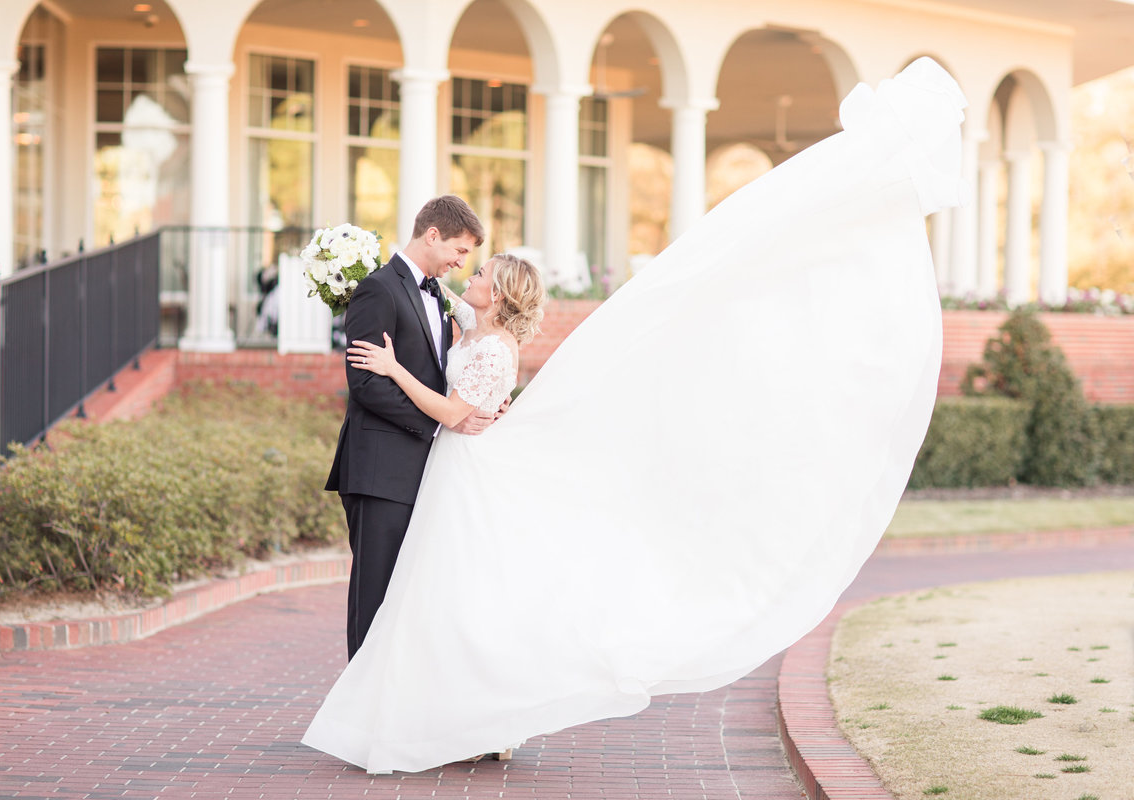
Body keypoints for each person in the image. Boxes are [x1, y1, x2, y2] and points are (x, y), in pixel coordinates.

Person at [304, 57, 967, 775]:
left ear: (500, 291)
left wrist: (401, 372)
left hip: (459, 465)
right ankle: (411, 710)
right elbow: (435, 329)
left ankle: (455, 712)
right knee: (423, 600)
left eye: (480, 268)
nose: (470, 271)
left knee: (456, 598)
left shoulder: (490, 344)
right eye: (467, 259)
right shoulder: (455, 312)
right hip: (437, 466)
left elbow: (453, 405)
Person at [325, 195, 487, 660]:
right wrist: (440, 422)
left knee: (406, 602)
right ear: (432, 235)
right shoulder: (378, 289)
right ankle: (359, 701)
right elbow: (366, 385)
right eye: (459, 250)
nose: (461, 262)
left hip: (421, 471)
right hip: (380, 471)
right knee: (375, 598)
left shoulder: (438, 295)